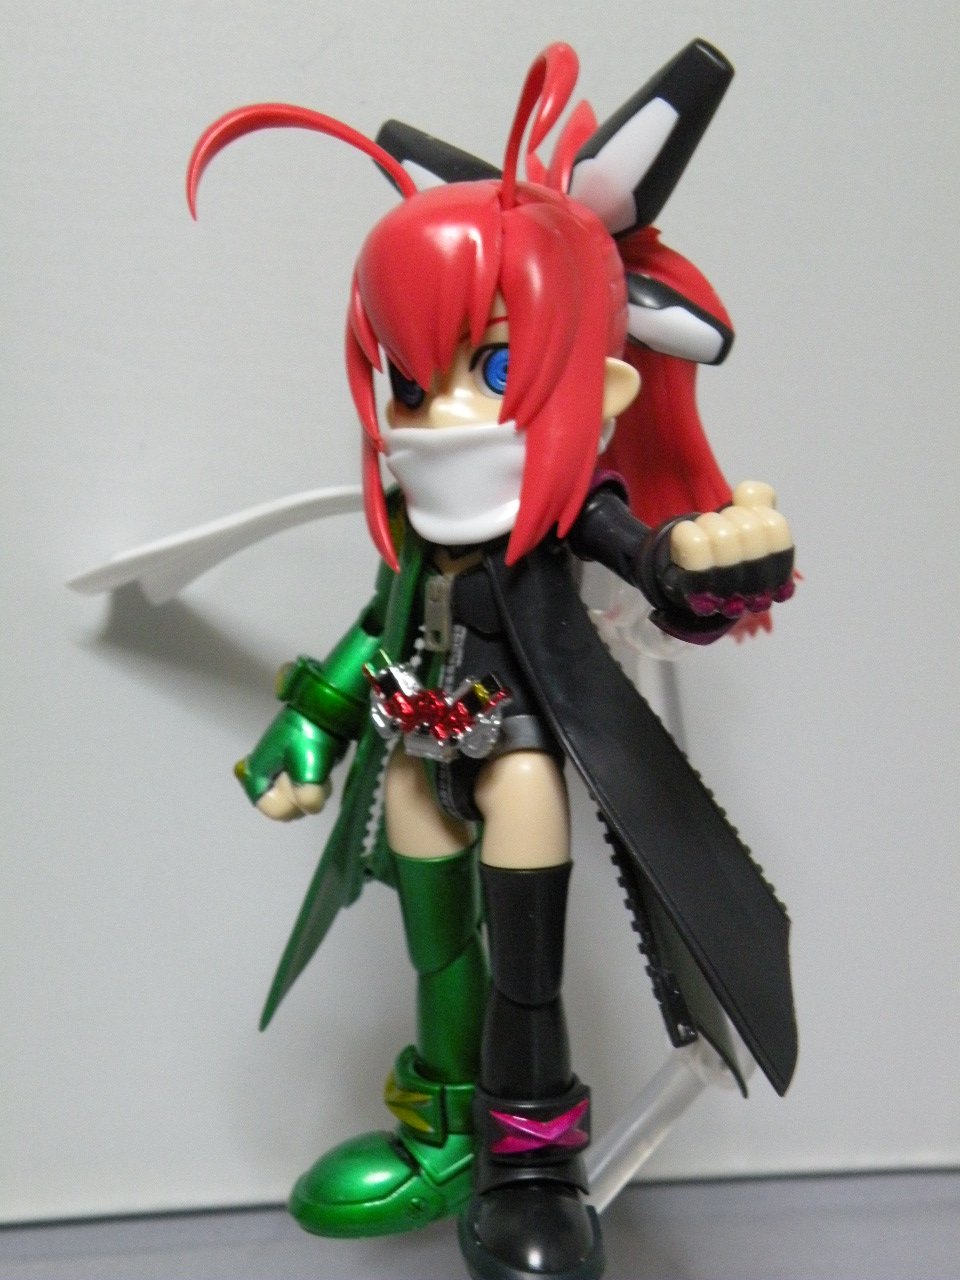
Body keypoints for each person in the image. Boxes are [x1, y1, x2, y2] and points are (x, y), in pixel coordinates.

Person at [188, 40, 797, 1280]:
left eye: (497, 367)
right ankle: (445, 1127)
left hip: (516, 750)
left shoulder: (571, 513)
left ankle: (530, 1164)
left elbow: (651, 566)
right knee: (437, 954)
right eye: (414, 377)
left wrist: (710, 566)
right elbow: (379, 620)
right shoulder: (419, 524)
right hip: (418, 742)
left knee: (527, 970)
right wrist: (310, 725)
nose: (441, 412)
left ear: (601, 382)